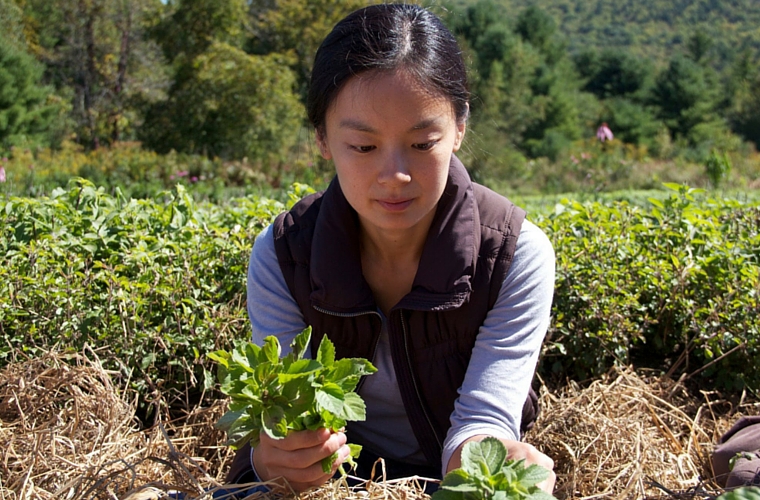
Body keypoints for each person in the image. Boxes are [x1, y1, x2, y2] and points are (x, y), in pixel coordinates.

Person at [226, 3, 556, 494]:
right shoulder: (282, 254)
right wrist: (271, 454)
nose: (395, 175)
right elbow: (279, 406)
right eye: (363, 147)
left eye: (423, 143)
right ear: (322, 137)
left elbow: (483, 419)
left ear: (459, 127)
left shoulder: (513, 255)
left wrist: (491, 467)